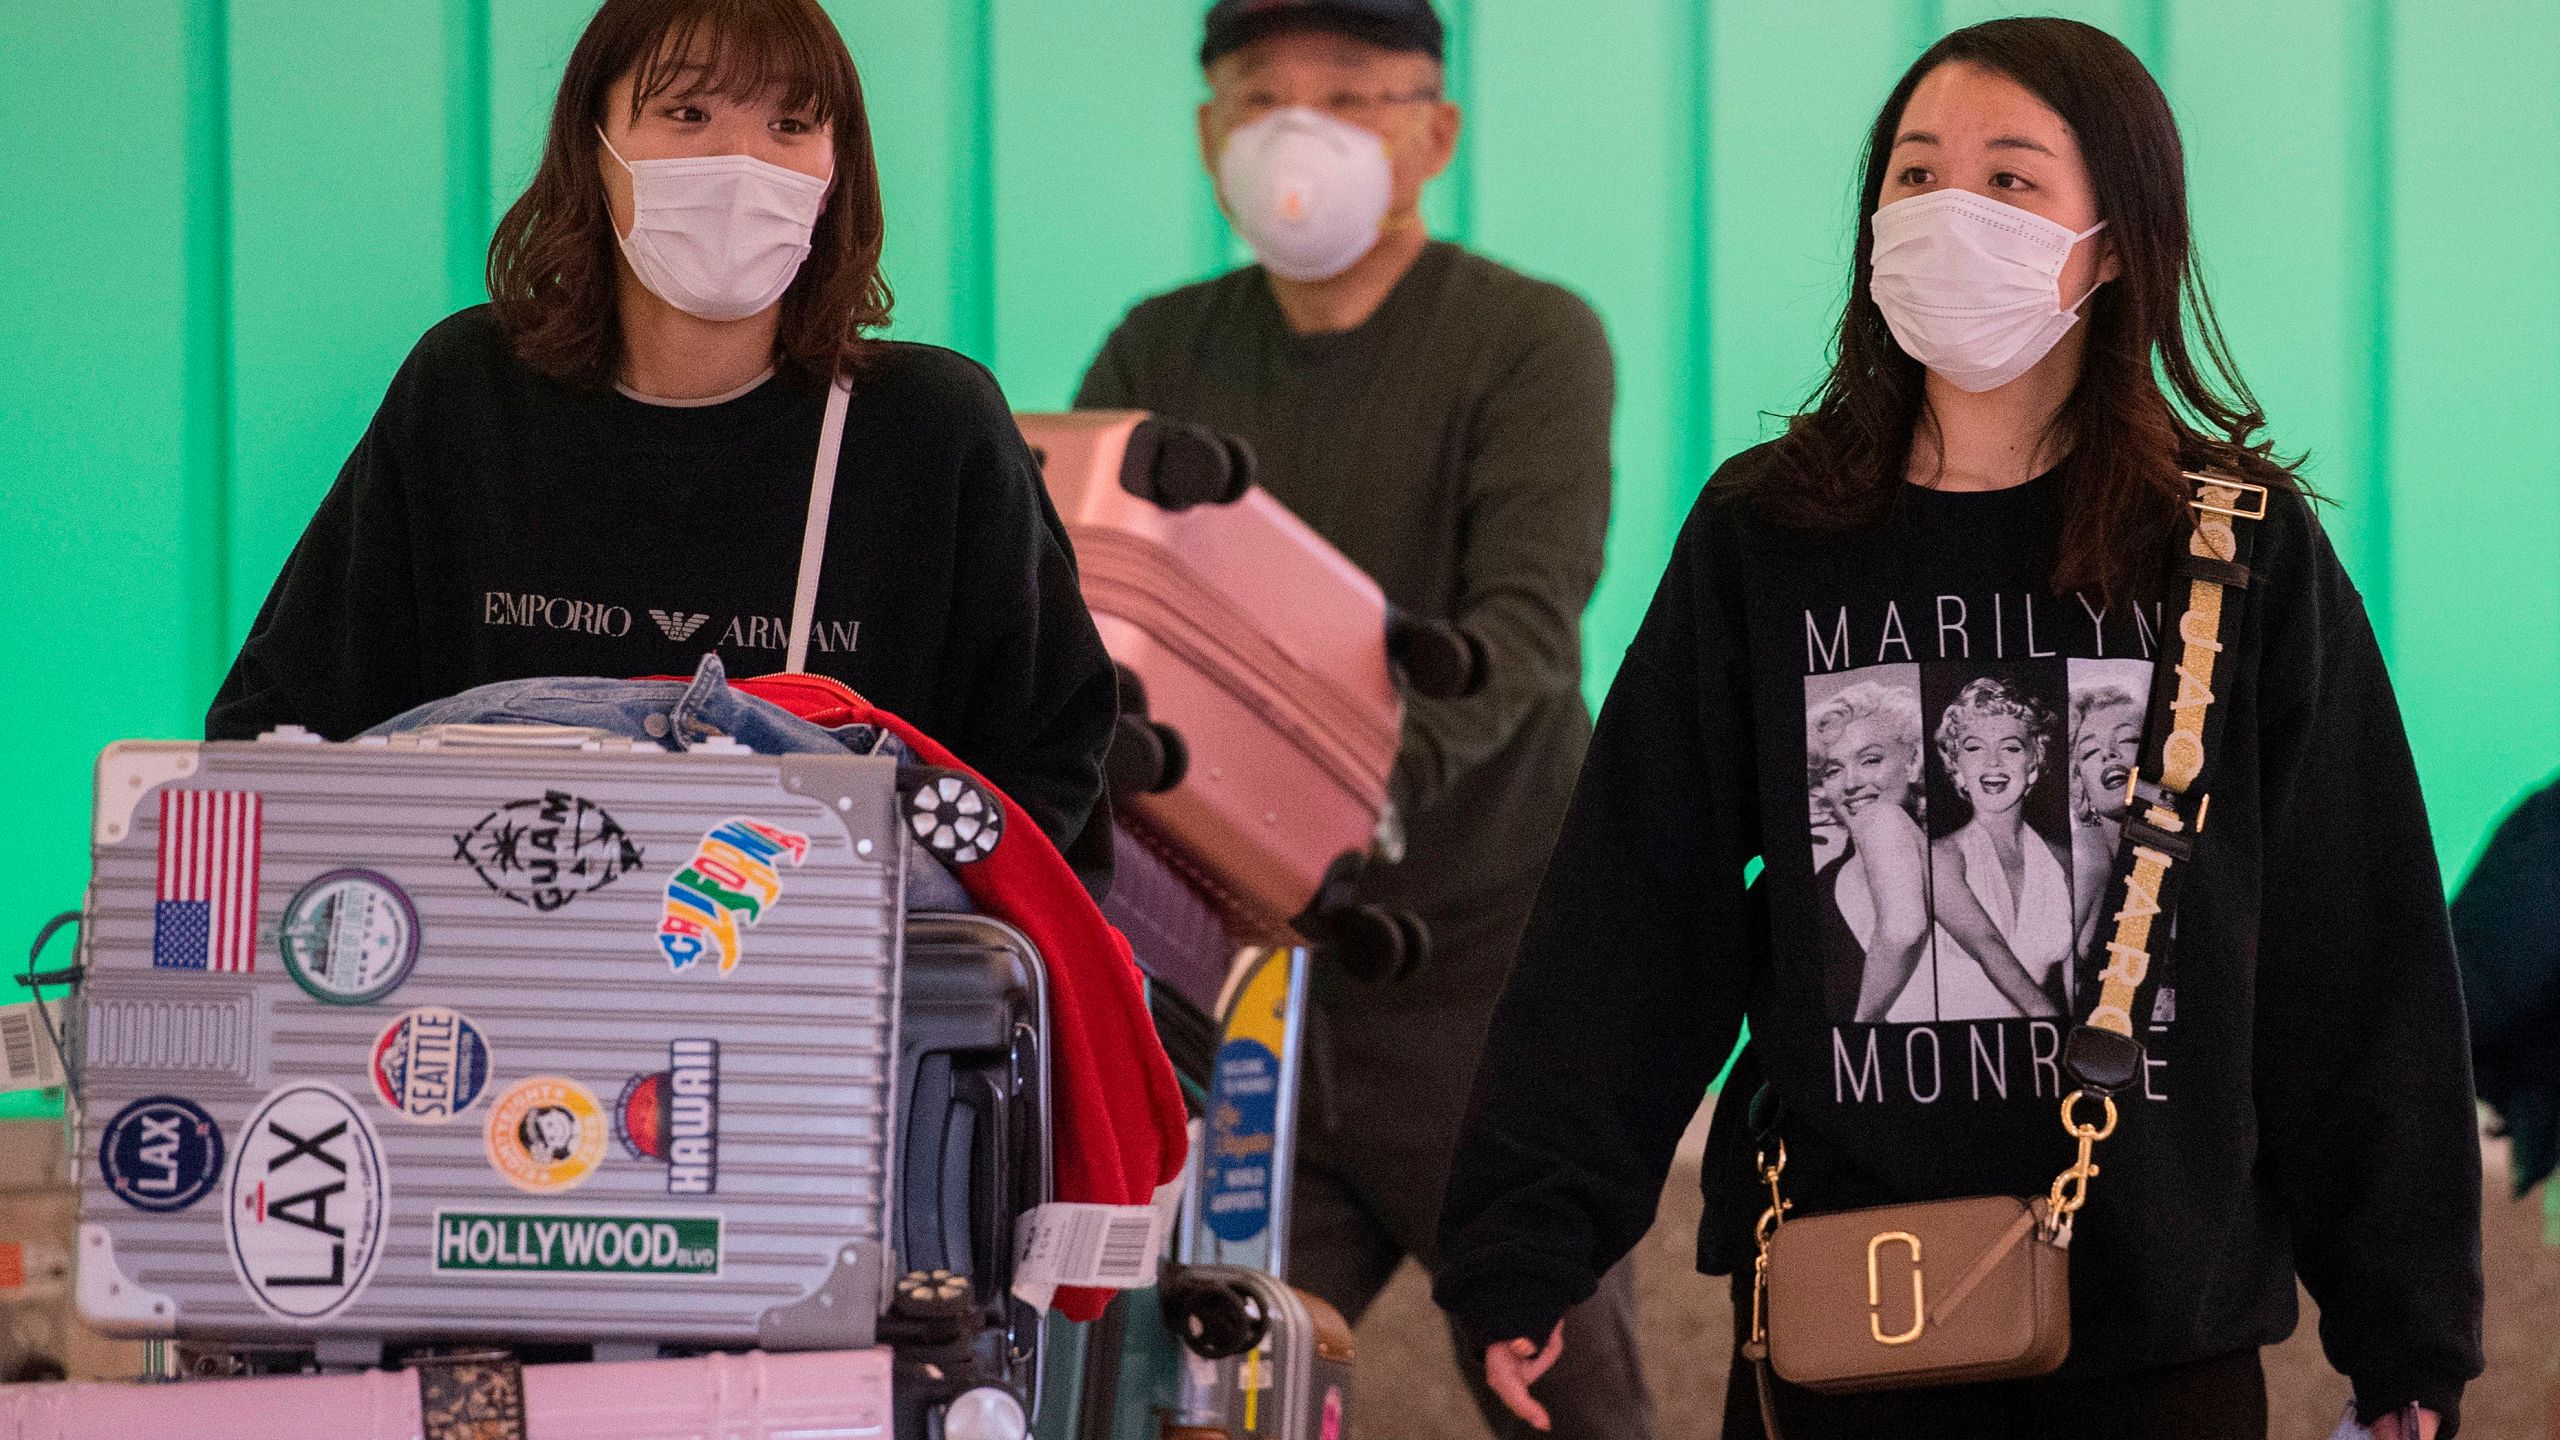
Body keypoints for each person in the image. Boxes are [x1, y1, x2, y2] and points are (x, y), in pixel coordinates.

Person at [1436, 19, 2480, 1440]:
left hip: (2152, 1326)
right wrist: (1528, 1238)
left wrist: (2406, 1330)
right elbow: (1637, 904)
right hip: (1839, 1311)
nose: (1948, 215)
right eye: (1915, 177)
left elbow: (2352, 952)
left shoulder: (2234, 552)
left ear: (2113, 241)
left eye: (2010, 181)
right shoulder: (1771, 532)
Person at [1075, 2, 1647, 1434]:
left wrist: (1334, 806)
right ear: (1210, 137)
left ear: (1432, 134)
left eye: (1349, 97)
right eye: (1260, 97)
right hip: (1224, 987)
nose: (1297, 133)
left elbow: (1524, 628)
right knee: (1180, 1399)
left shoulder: (1529, 340)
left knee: (1569, 1394)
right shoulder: (1158, 350)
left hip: (1482, 986)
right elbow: (1077, 611)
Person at [206, 0, 1118, 888]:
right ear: (592, 149)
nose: (743, 161)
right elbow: (280, 728)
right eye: (688, 114)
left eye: (791, 124)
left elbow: (1050, 780)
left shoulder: (931, 429)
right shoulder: (468, 393)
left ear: (838, 169)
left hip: (843, 1001)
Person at [1927, 675, 2071, 1019]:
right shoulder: (1942, 857)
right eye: (1974, 748)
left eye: (2010, 747)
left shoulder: (2063, 861)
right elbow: (1988, 948)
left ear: (2033, 764)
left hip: (2032, 1053)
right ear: (1956, 768)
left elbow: (2075, 985)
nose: (1993, 762)